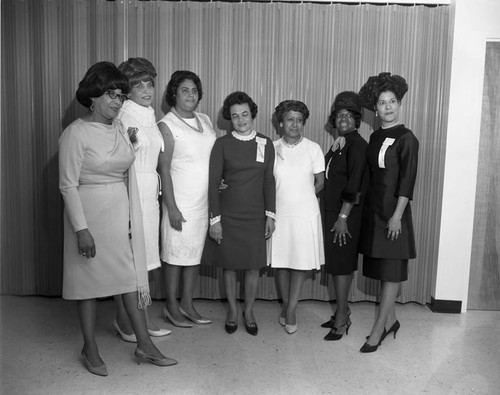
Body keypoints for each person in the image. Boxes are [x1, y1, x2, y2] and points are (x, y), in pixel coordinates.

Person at [59, 62, 177, 376]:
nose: (116, 101)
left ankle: (144, 344)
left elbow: (129, 175)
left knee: (129, 279)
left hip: (119, 214)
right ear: (92, 97)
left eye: (120, 95)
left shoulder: (122, 130)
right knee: (87, 284)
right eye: (110, 94)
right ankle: (90, 347)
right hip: (87, 217)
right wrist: (81, 230)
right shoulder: (75, 133)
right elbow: (68, 185)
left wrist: (130, 218)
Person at [203, 91, 276, 336]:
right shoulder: (222, 144)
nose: (241, 120)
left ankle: (249, 311)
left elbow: (268, 181)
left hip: (255, 215)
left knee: (254, 267)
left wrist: (270, 215)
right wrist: (215, 220)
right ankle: (233, 311)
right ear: (229, 119)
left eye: (245, 114)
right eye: (235, 116)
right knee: (230, 266)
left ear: (252, 114)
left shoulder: (266, 143)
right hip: (229, 215)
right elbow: (213, 183)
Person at [357, 72, 419, 353]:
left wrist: (397, 216)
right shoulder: (375, 136)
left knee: (392, 273)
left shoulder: (407, 138)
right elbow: (370, 173)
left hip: (395, 213)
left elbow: (407, 181)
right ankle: (392, 320)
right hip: (374, 212)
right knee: (381, 272)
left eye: (392, 101)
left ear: (399, 104)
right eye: (382, 103)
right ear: (376, 108)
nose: (388, 107)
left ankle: (378, 329)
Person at [112, 57, 170, 341]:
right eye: (138, 84)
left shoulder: (148, 115)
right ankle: (124, 322)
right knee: (130, 259)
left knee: (145, 258)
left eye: (150, 83)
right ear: (127, 89)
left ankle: (142, 320)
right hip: (131, 189)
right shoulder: (123, 116)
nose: (146, 90)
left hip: (150, 192)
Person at [158, 70, 216, 328]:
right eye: (184, 90)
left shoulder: (204, 119)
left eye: (194, 90)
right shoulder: (166, 124)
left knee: (193, 255)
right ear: (174, 93)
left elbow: (211, 158)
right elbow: (163, 169)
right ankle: (171, 306)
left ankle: (187, 304)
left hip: (203, 201)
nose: (190, 94)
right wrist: (171, 206)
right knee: (174, 255)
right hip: (179, 201)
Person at [270, 100, 325, 334]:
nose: (294, 124)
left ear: (304, 123)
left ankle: (291, 308)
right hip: (279, 212)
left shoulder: (313, 148)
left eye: (299, 120)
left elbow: (320, 182)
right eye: (290, 119)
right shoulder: (270, 148)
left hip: (304, 212)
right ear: (281, 122)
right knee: (281, 262)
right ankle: (285, 304)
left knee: (299, 261)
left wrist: (302, 196)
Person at [320, 92, 368, 341]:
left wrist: (342, 218)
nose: (343, 119)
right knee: (336, 265)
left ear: (357, 119)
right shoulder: (341, 143)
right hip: (333, 213)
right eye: (339, 115)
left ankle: (341, 319)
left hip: (344, 217)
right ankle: (342, 310)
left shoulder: (358, 146)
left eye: (349, 115)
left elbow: (354, 186)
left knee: (341, 267)